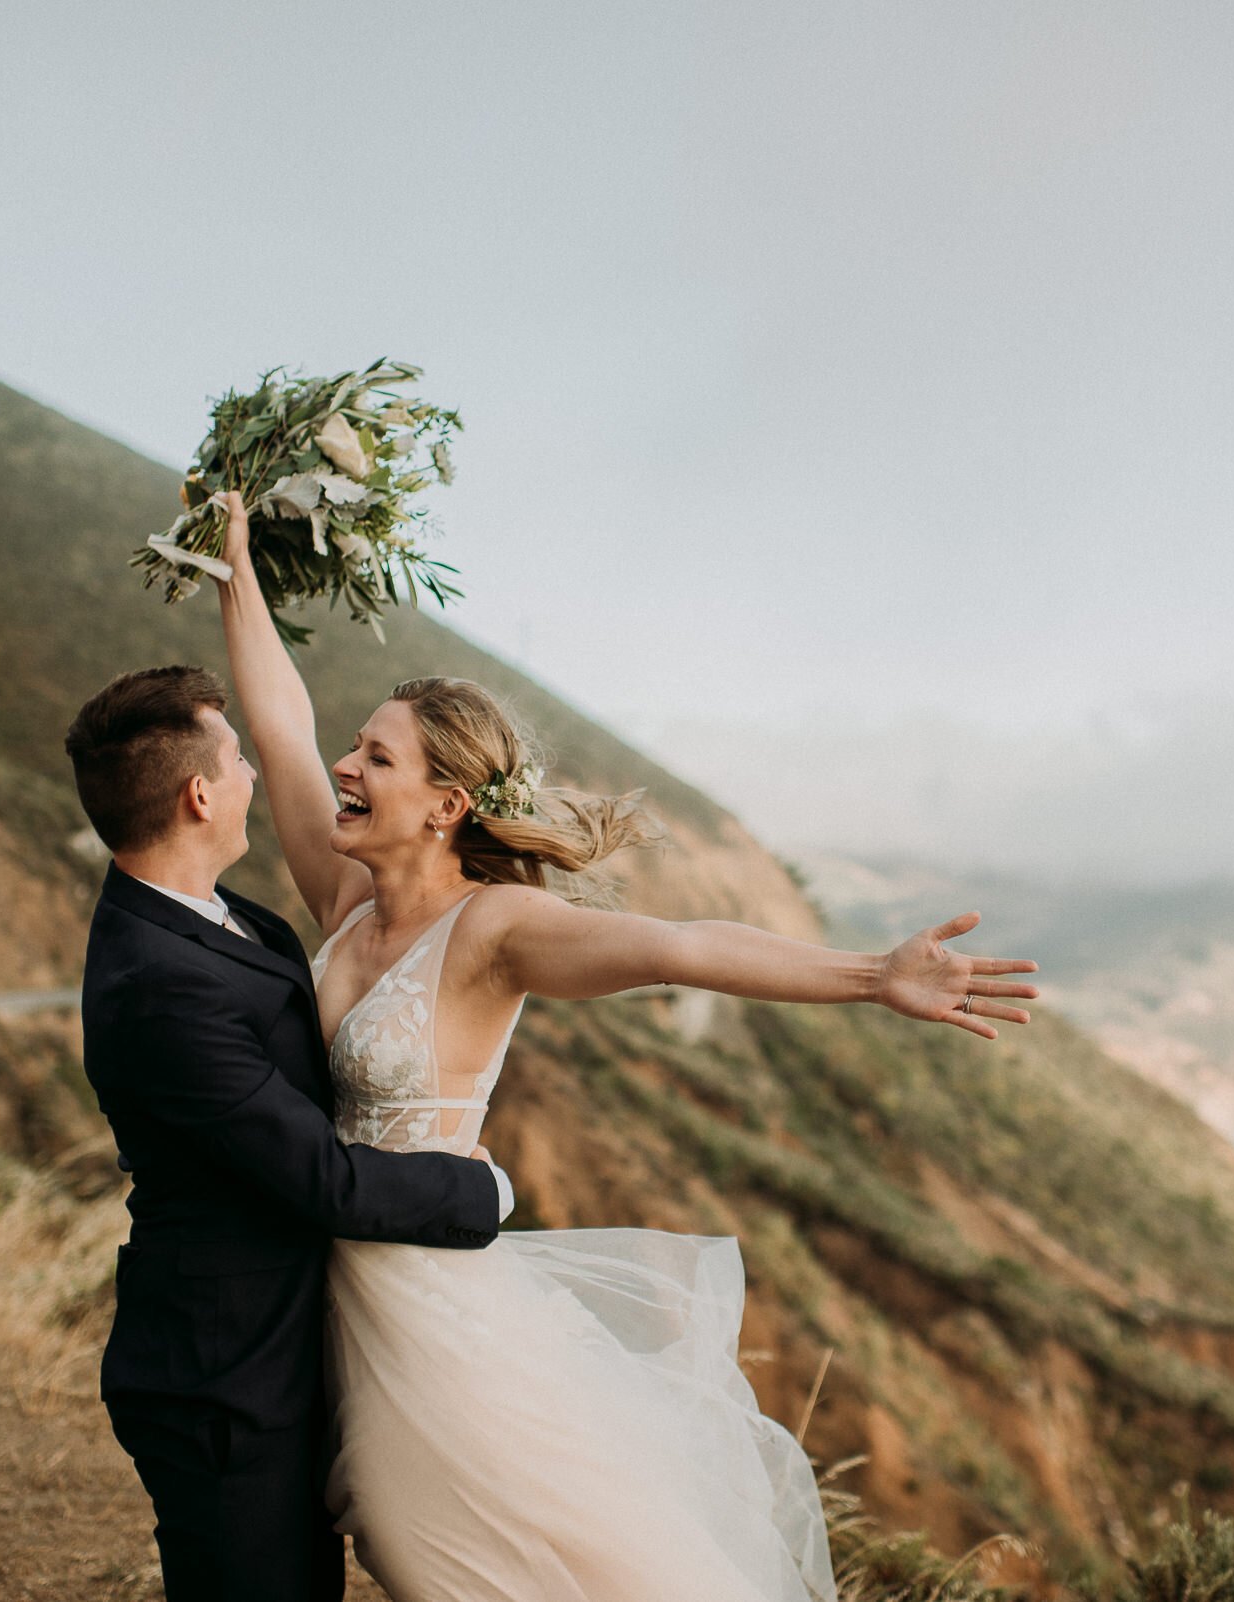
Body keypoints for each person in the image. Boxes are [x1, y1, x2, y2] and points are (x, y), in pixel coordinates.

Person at [208, 490, 1043, 1601]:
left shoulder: (494, 929)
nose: (344, 769)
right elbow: (276, 724)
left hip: (431, 1318)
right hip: (322, 1287)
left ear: (446, 804)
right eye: (354, 750)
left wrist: (870, 978)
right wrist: (234, 569)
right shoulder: (347, 898)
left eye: (375, 757)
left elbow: (678, 946)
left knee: (454, 1568)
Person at [66, 665, 521, 1602]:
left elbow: (282, 721)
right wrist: (485, 1191)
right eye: (237, 763)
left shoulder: (228, 918)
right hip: (218, 1379)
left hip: (290, 1347)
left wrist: (240, 561)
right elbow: (326, 1182)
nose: (262, 776)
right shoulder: (158, 980)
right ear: (200, 796)